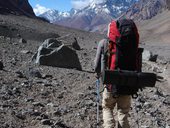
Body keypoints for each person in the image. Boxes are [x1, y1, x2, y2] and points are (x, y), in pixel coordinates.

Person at [94, 19, 139, 128]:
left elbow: (96, 65)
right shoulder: (132, 44)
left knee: (107, 107)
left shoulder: (104, 43)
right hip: (128, 82)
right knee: (123, 112)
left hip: (109, 83)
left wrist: (98, 74)